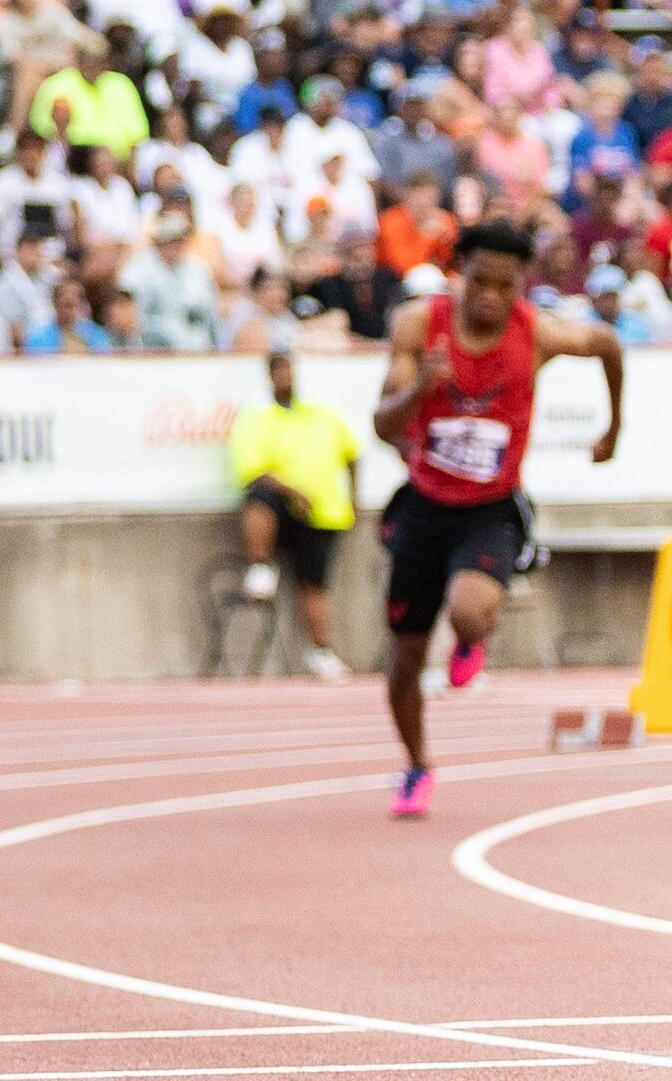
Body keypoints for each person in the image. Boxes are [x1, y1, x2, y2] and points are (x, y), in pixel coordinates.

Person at [373, 220, 622, 818]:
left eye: (505, 287)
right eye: (478, 282)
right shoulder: (418, 327)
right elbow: (383, 426)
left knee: (468, 610)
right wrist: (419, 391)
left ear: (521, 286)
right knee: (404, 660)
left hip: (492, 509)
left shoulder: (536, 333)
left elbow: (609, 345)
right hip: (425, 507)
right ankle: (416, 766)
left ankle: (470, 639)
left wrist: (613, 428)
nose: (489, 298)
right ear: (459, 274)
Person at [227, 351, 359, 681]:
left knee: (313, 584)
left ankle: (321, 652)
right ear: (269, 376)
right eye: (278, 371)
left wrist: (353, 499)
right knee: (260, 498)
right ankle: (259, 565)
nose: (285, 377)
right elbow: (252, 470)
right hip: (284, 507)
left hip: (323, 513)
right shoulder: (257, 418)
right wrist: (293, 492)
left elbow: (353, 455)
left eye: (289, 369)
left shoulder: (321, 413)